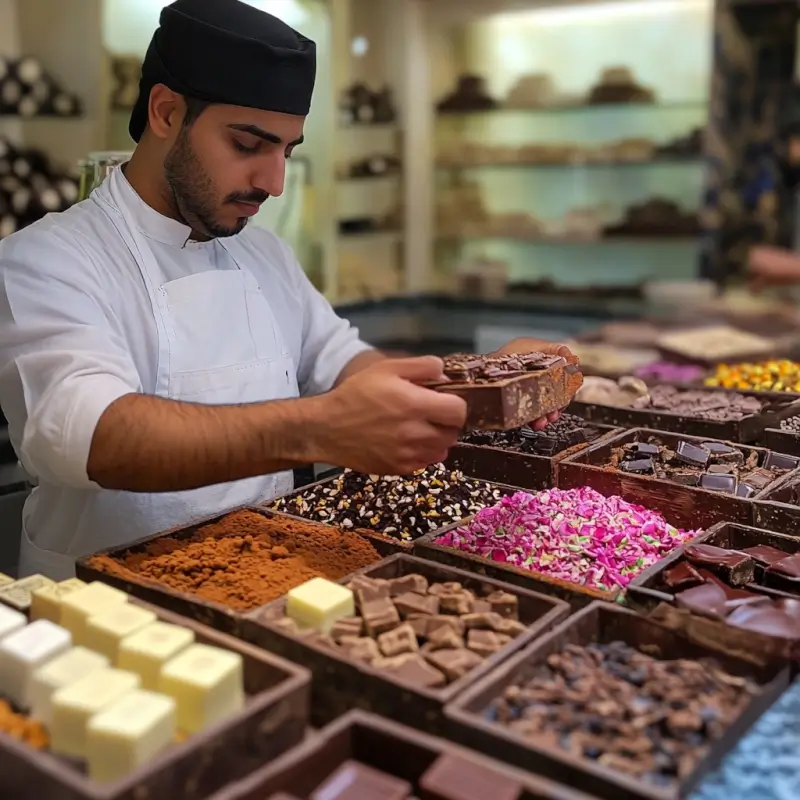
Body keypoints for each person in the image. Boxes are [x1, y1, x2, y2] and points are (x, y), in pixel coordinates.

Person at [0, 0, 574, 580]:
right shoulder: (48, 259)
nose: (274, 183)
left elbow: (346, 364)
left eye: (287, 151)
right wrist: (316, 428)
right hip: (96, 615)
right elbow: (89, 435)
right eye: (249, 146)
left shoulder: (262, 253)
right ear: (167, 112)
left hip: (263, 584)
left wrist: (483, 385)